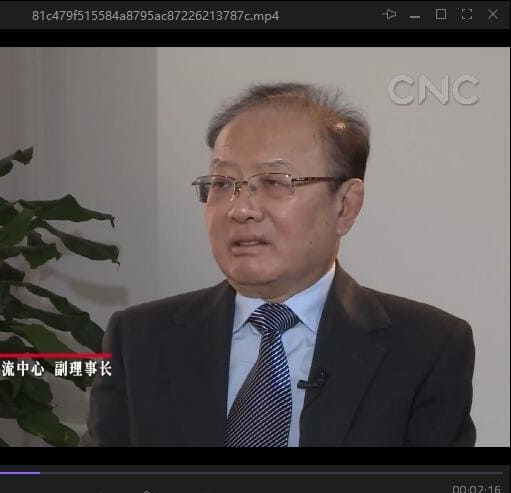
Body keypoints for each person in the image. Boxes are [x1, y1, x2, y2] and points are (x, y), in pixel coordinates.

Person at [85, 83, 476, 447]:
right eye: (222, 184)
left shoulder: (426, 348)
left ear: (345, 205)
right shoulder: (138, 341)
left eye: (274, 182)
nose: (240, 209)